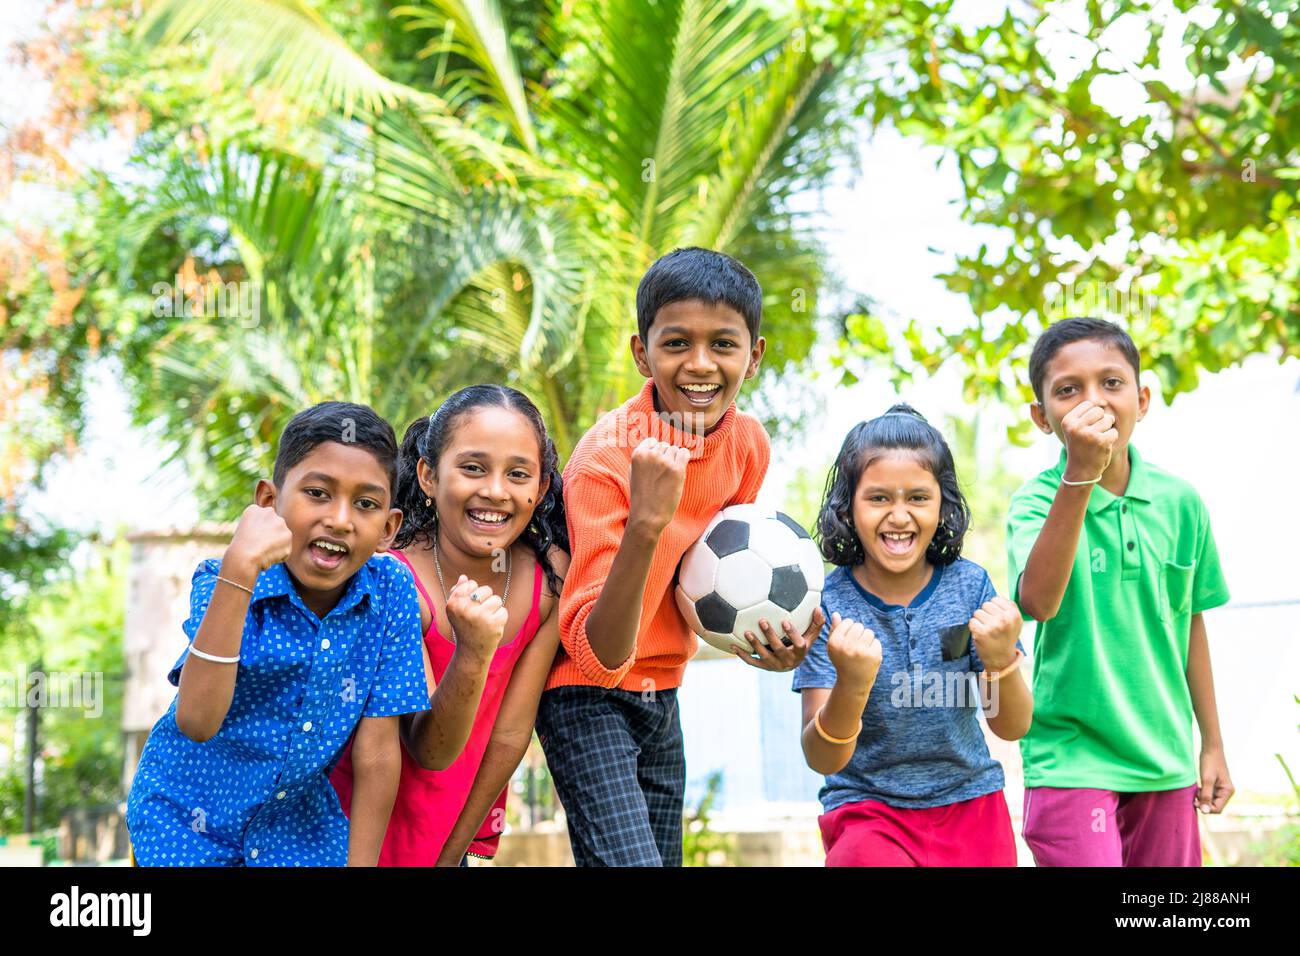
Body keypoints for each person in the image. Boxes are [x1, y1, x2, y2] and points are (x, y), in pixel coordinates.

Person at [536, 246, 825, 866]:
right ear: (641, 352)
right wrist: (646, 524)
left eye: (723, 344)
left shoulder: (747, 445)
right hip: (584, 698)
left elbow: (715, 582)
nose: (701, 364)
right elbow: (597, 651)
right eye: (676, 344)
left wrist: (767, 644)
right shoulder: (605, 461)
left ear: (754, 355)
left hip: (663, 691)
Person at [126, 402, 433, 866]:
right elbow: (197, 720)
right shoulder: (222, 579)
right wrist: (240, 569)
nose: (340, 519)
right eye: (318, 493)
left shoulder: (390, 592)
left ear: (389, 527)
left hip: (298, 838)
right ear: (269, 502)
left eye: (365, 503)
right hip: (183, 825)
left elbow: (376, 756)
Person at [1008, 317, 1233, 867]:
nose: (1095, 402)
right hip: (1071, 759)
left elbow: (1190, 625)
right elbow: (1038, 603)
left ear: (1143, 398)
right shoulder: (1035, 503)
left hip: (1165, 760)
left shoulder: (1181, 502)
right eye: (1068, 390)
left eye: (1112, 383)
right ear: (1042, 418)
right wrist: (1080, 476)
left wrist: (1212, 745)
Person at [331, 385, 569, 866]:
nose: (495, 491)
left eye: (517, 474)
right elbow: (426, 746)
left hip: (444, 833)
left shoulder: (547, 584)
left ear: (540, 488)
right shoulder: (393, 576)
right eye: (473, 467)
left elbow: (507, 738)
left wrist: (452, 853)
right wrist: (474, 650)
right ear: (427, 475)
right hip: (347, 830)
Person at [794, 405, 1032, 866]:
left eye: (918, 498)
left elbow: (1013, 724)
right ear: (848, 506)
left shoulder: (970, 588)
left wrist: (1002, 661)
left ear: (942, 505)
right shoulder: (828, 604)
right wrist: (852, 683)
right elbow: (822, 757)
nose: (899, 516)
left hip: (971, 806)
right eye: (879, 498)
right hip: (868, 811)